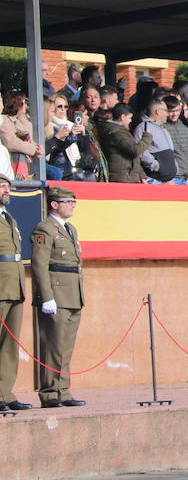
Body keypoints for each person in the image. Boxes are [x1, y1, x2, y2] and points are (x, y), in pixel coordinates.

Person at [30, 186, 85, 408]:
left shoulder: (70, 229)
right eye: (67, 202)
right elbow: (40, 264)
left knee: (66, 346)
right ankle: (50, 391)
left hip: (72, 292)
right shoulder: (44, 229)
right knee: (53, 344)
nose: (72, 205)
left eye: (73, 202)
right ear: (54, 204)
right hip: (56, 293)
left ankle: (63, 389)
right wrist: (46, 296)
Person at [0, 174, 30, 411]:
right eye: (2, 186)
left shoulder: (8, 217)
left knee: (10, 344)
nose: (6, 189)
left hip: (14, 285)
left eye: (8, 186)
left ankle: (4, 393)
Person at [100, 104, 153, 182]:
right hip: (121, 178)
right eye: (130, 118)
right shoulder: (116, 133)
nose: (130, 121)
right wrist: (147, 138)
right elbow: (135, 150)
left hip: (127, 176)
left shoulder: (120, 131)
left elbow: (134, 157)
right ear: (123, 117)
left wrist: (141, 175)